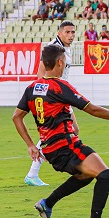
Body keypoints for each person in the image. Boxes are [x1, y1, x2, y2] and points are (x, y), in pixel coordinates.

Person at [12, 44, 109, 218]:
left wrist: (31, 145)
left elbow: (16, 117)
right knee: (105, 175)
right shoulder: (60, 86)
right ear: (60, 63)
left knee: (85, 176)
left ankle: (47, 203)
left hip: (51, 149)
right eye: (64, 62)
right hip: (65, 145)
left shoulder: (32, 88)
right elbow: (93, 109)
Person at [24, 21, 77, 187]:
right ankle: (34, 173)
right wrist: (48, 96)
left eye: (73, 32)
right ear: (60, 33)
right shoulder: (53, 48)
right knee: (56, 133)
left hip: (61, 96)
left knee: (74, 129)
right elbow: (41, 73)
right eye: (68, 32)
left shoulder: (65, 49)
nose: (71, 35)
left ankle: (35, 172)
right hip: (53, 98)